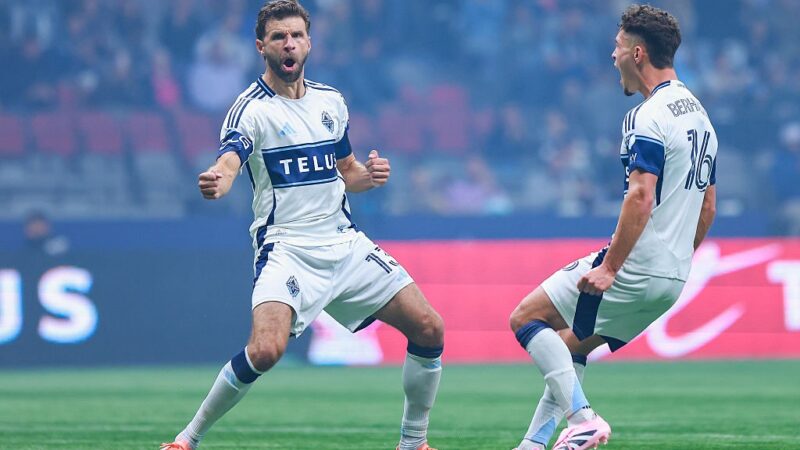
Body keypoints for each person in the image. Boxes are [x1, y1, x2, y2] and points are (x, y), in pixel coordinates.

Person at [160, 2, 444, 449]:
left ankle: (413, 443)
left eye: (295, 35)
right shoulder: (249, 110)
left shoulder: (331, 101)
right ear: (261, 47)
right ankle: (186, 439)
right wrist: (220, 179)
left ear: (309, 42)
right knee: (265, 351)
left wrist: (370, 176)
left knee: (429, 328)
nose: (288, 44)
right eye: (278, 37)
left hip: (344, 244)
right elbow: (231, 158)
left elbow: (347, 170)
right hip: (287, 248)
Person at [508, 5, 717, 450]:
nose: (612, 55)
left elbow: (640, 196)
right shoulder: (700, 116)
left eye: (617, 47)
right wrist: (676, 258)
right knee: (571, 346)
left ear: (637, 53)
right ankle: (534, 444)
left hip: (635, 266)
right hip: (672, 278)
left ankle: (582, 419)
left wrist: (612, 267)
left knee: (526, 318)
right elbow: (708, 205)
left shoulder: (648, 115)